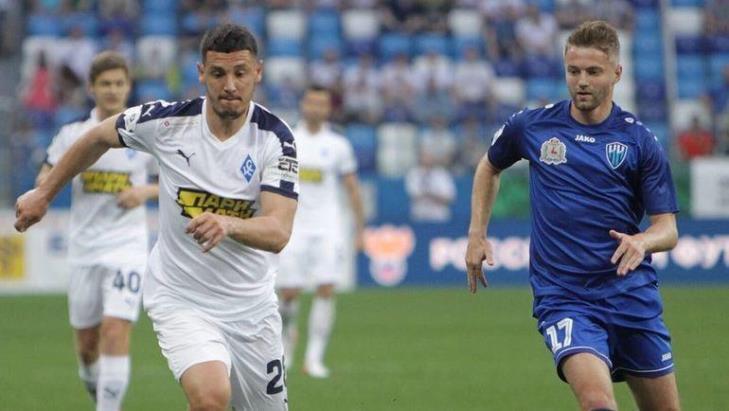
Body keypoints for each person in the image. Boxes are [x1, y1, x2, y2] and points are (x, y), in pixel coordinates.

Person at [16, 24, 298, 411]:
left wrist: (227, 223)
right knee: (211, 398)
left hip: (251, 306)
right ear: (201, 73)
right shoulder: (167, 122)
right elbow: (98, 136)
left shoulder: (276, 138)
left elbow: (278, 231)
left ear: (258, 72)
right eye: (218, 73)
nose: (230, 85)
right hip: (181, 297)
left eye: (240, 73)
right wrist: (44, 194)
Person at [465, 21, 681, 411]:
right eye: (573, 71)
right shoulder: (532, 126)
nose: (581, 81)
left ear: (617, 73)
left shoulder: (639, 141)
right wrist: (477, 233)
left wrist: (642, 241)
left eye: (593, 72)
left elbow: (667, 229)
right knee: (597, 401)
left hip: (631, 294)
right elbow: (489, 166)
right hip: (565, 298)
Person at [36, 51, 158, 411]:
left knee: (115, 329)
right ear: (91, 88)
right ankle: (98, 392)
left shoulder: (145, 132)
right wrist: (46, 187)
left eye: (119, 83)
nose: (112, 90)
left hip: (127, 246)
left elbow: (173, 181)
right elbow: (45, 178)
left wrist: (144, 192)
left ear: (128, 87)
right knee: (87, 347)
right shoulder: (72, 134)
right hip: (85, 248)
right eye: (105, 84)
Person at [276, 85, 365, 378]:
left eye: (321, 103)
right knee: (289, 293)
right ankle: (286, 349)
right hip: (293, 226)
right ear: (303, 104)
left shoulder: (338, 145)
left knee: (326, 288)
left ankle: (314, 358)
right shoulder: (287, 139)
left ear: (329, 109)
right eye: (311, 102)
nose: (315, 108)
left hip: (328, 227)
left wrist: (360, 229)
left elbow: (352, 189)